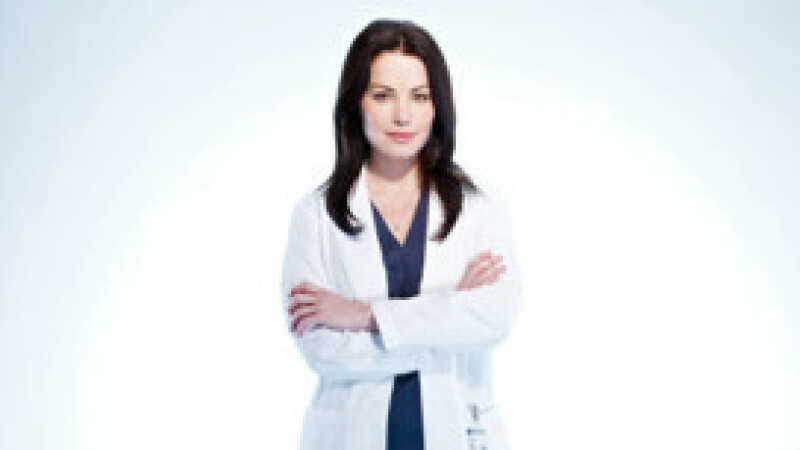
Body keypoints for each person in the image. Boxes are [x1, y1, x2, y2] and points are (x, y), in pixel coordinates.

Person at [281, 18, 523, 450]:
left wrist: (365, 317)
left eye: (420, 96)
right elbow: (323, 351)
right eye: (382, 95)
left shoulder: (478, 207)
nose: (402, 114)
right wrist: (446, 317)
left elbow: (494, 318)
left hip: (458, 431)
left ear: (438, 107)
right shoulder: (315, 215)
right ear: (356, 102)